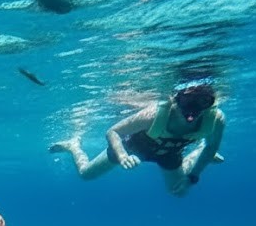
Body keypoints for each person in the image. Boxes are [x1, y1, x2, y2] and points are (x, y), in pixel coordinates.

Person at [50, 83, 226, 197]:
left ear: (210, 103)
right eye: (187, 101)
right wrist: (122, 156)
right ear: (175, 99)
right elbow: (113, 131)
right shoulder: (153, 115)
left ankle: (196, 154)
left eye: (203, 101)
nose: (192, 111)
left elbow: (210, 147)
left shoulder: (215, 119)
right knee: (86, 174)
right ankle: (73, 146)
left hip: (170, 152)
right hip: (132, 148)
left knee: (178, 192)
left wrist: (193, 176)